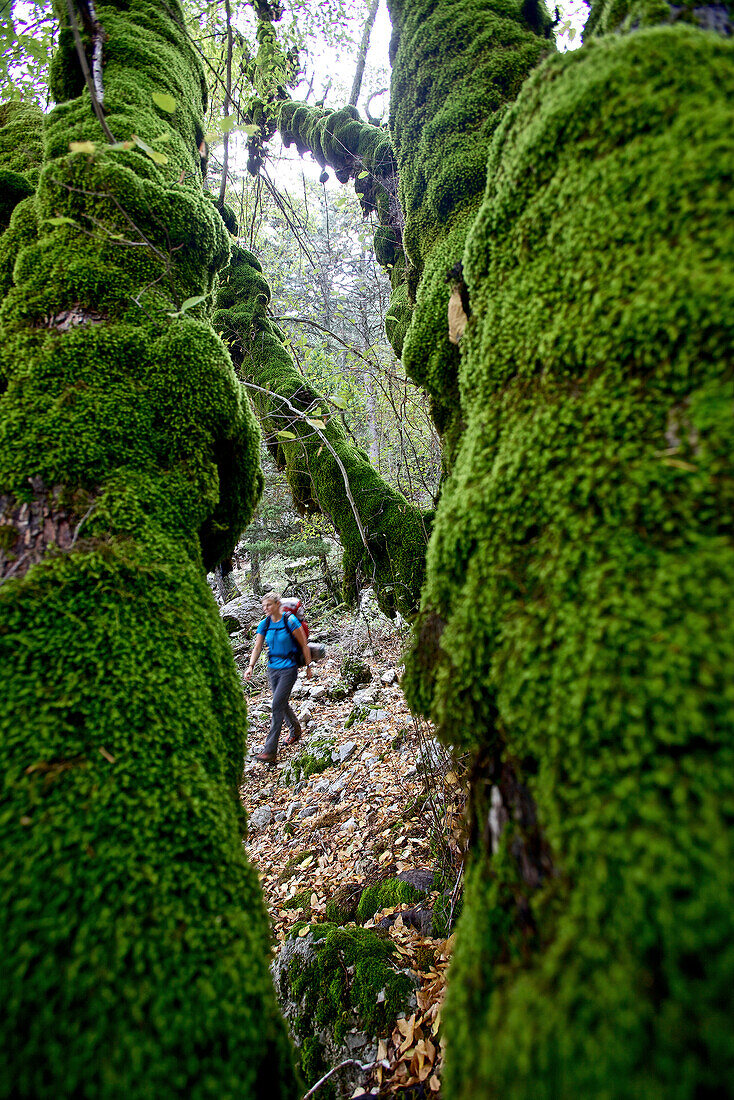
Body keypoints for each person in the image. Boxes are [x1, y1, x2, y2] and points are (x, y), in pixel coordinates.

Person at [244, 592, 314, 764]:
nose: (265, 609)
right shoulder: (265, 623)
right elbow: (257, 647)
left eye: (268, 605)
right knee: (280, 702)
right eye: (263, 606)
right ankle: (295, 730)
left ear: (277, 604)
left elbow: (304, 643)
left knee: (276, 705)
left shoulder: (290, 621)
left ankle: (270, 751)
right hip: (272, 669)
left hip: (289, 669)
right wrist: (250, 666)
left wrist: (308, 666)